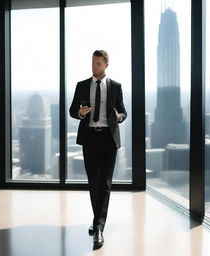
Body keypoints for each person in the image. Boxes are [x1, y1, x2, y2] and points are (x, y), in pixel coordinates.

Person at [69, 50, 127, 250]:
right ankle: (97, 221)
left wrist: (119, 117)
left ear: (106, 65)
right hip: (90, 138)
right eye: (93, 63)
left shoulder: (116, 87)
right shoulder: (82, 85)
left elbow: (123, 111)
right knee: (93, 182)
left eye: (98, 64)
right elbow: (72, 111)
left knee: (106, 182)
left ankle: (99, 227)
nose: (94, 67)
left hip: (109, 139)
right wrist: (80, 112)